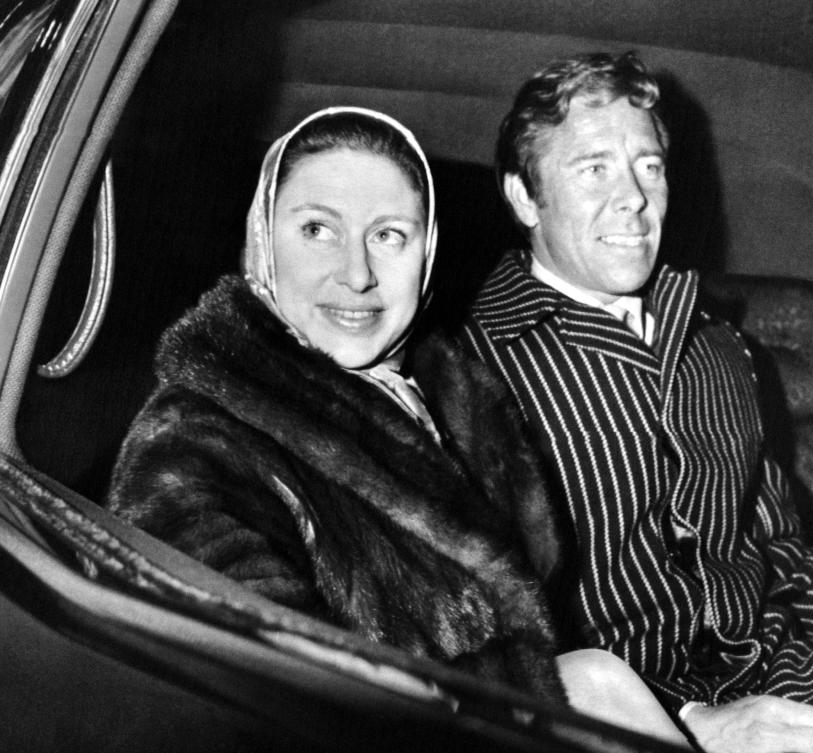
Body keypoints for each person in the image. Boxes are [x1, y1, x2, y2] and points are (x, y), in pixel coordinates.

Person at [105, 106, 689, 747]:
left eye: (389, 236)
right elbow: (253, 711)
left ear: (427, 253)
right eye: (317, 229)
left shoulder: (459, 407)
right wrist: (576, 691)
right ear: (261, 246)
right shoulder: (192, 446)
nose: (356, 274)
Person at [461, 51, 813, 752]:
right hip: (629, 715)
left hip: (796, 668)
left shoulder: (718, 348)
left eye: (649, 166)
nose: (633, 196)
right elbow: (497, 633)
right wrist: (686, 718)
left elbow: (781, 558)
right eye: (594, 167)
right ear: (522, 196)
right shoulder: (472, 370)